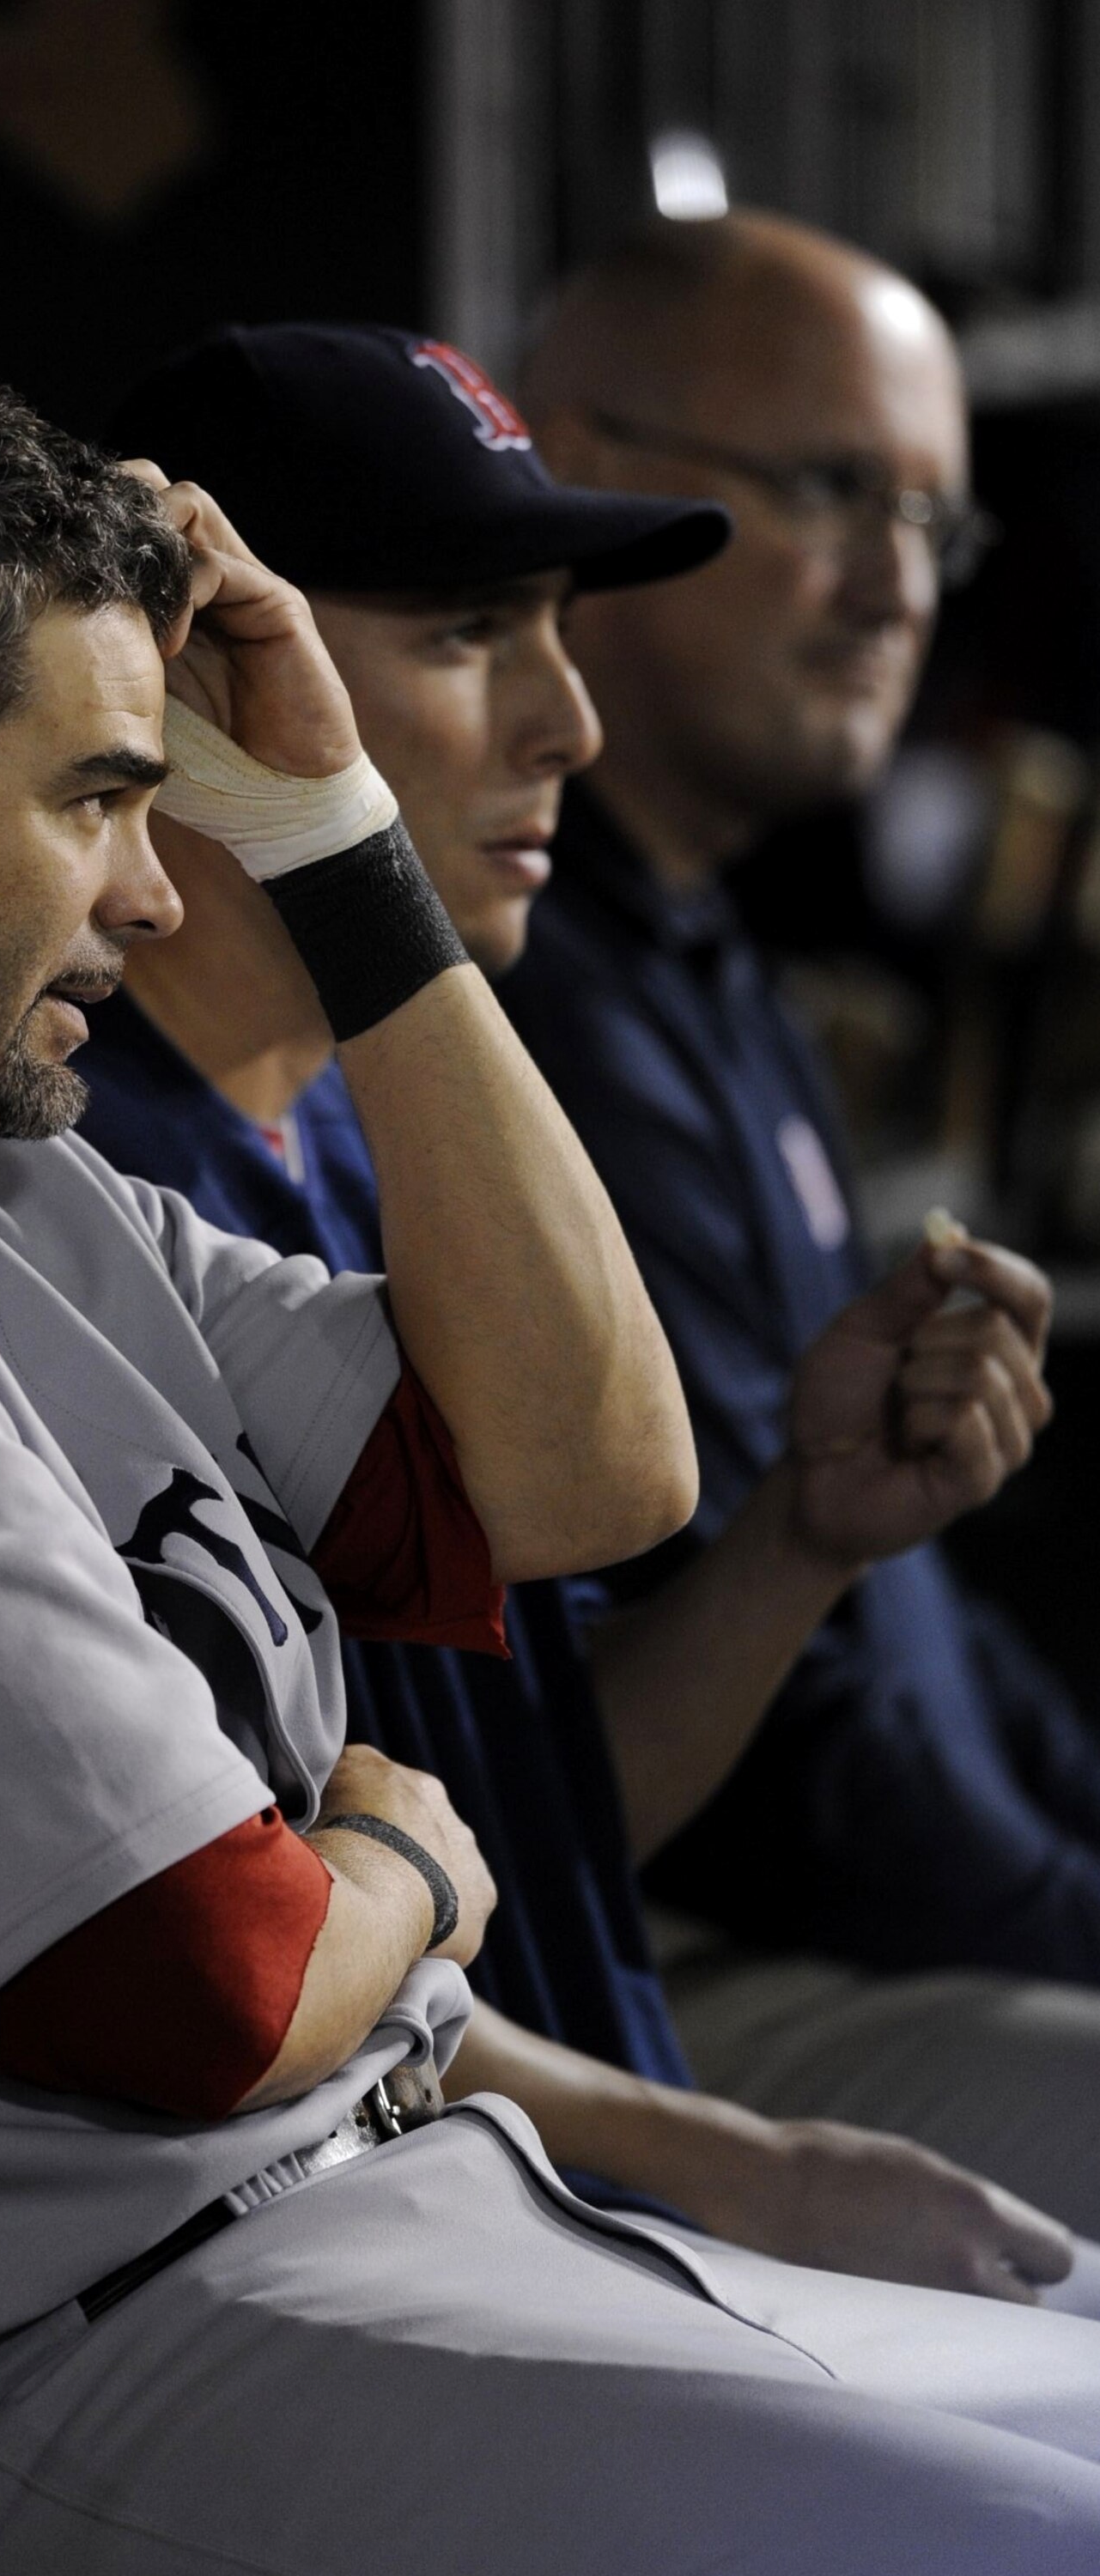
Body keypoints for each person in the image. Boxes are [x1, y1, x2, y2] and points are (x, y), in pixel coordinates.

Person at [0, 380, 1100, 2576]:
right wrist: (401, 1860)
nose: (151, 887)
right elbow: (208, 1983)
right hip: (99, 2376)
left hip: (395, 2223)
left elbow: (589, 1472)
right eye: (99, 796)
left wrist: (341, 844)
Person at [94, 319, 1097, 2312]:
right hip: (360, 2235)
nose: (568, 724)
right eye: (472, 635)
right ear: (207, 678)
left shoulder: (390, 1143)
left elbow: (548, 1806)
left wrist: (801, 1542)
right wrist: (733, 2161)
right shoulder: (75, 1185)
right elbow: (225, 1972)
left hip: (562, 2147)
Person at [498, 208, 1100, 2244]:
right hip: (659, 1981)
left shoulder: (699, 948)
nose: (897, 593)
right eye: (841, 492)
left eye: (938, 527)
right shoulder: (525, 998)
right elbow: (794, 1776)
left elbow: (916, 1631)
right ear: (576, 460)